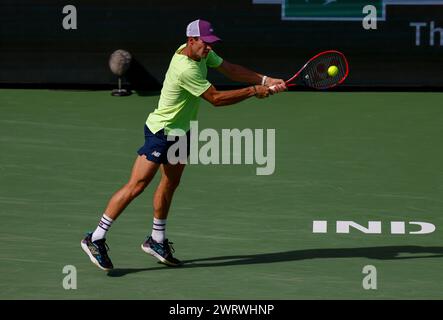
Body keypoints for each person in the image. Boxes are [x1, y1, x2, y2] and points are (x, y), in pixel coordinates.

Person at [81, 19, 286, 271]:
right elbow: (216, 99)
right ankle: (96, 238)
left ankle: (156, 240)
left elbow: (230, 69)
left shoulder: (201, 53)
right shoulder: (185, 68)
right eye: (205, 43)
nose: (209, 48)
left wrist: (265, 79)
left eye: (211, 43)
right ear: (191, 41)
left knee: (171, 182)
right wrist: (254, 90)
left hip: (181, 131)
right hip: (161, 131)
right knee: (137, 185)